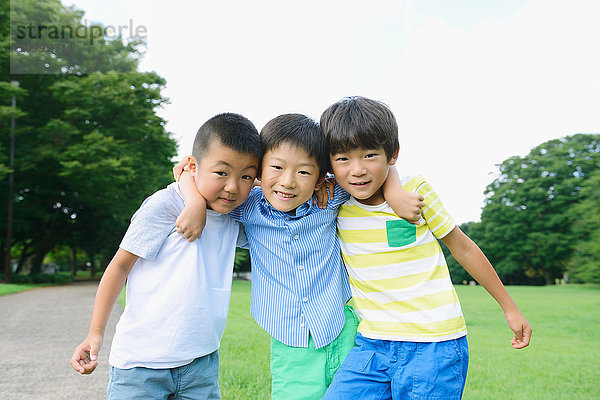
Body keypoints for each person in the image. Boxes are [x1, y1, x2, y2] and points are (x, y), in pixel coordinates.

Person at [175, 113, 424, 400]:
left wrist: (394, 195)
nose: (289, 182)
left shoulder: (329, 198)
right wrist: (193, 199)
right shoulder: (248, 208)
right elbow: (188, 173)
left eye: (304, 172)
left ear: (320, 178)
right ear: (259, 171)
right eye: (277, 168)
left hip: (342, 327)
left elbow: (374, 171)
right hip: (289, 339)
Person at [319, 96, 533, 400]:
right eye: (342, 159)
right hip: (372, 344)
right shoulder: (335, 202)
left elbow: (464, 248)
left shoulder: (415, 190)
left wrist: (510, 308)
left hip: (434, 345)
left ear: (392, 154)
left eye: (369, 155)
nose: (357, 170)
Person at [70, 113, 261, 400]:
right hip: (140, 367)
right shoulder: (165, 205)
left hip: (201, 364)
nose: (233, 186)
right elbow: (120, 266)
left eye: (246, 176)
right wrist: (95, 333)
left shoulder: (237, 215)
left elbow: (277, 191)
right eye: (221, 173)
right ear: (193, 166)